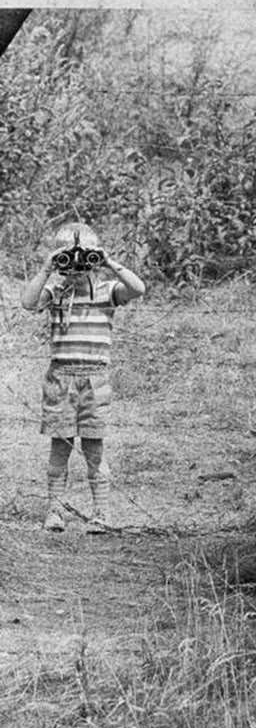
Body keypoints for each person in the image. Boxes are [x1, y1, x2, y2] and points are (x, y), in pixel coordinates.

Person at [21, 221, 145, 533]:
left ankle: (100, 513)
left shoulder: (105, 291)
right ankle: (55, 511)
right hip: (60, 379)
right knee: (59, 449)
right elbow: (28, 302)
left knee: (94, 450)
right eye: (68, 258)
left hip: (95, 381)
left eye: (83, 257)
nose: (75, 265)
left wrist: (109, 263)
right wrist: (47, 268)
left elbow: (138, 289)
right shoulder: (55, 291)